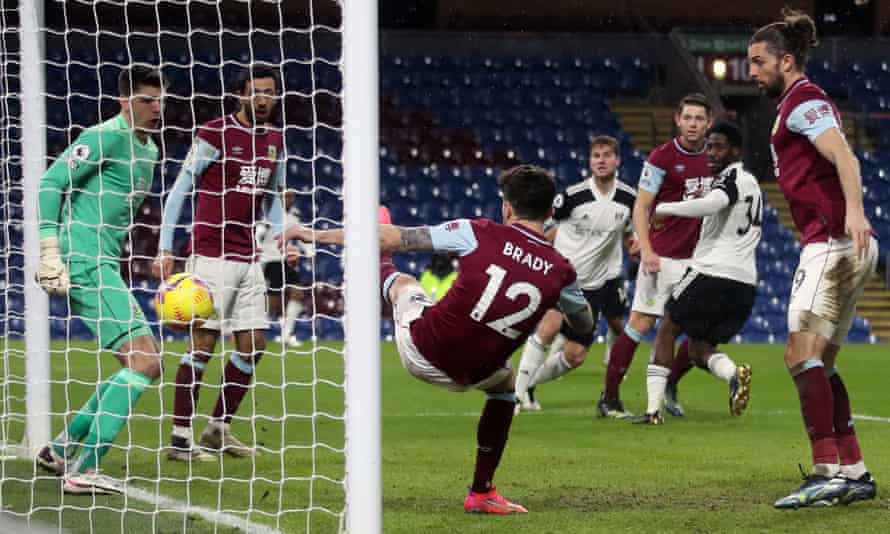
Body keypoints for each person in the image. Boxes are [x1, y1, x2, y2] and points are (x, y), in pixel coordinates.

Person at [280, 165, 594, 514]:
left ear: (506, 206)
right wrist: (559, 299)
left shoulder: (478, 231)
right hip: (473, 373)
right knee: (505, 384)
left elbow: (394, 236)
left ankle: (379, 267)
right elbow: (583, 322)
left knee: (406, 285)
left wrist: (313, 235)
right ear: (551, 212)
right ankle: (481, 492)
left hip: (421, 348)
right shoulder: (562, 271)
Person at [748, 9, 878, 509]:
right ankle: (854, 472)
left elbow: (843, 154)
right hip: (836, 243)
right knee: (820, 361)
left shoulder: (803, 100)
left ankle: (825, 470)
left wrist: (857, 213)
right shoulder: (794, 103)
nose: (752, 72)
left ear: (786, 59)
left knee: (799, 354)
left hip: (831, 242)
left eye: (759, 62)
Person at [34, 66, 166, 494]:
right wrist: (50, 249)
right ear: (125, 101)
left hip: (104, 260)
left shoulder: (150, 151)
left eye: (160, 99)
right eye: (147, 99)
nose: (157, 107)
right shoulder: (105, 136)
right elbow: (52, 182)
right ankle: (83, 470)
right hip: (83, 258)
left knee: (141, 364)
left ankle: (60, 449)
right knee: (145, 363)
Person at [154, 65, 289, 461]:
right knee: (204, 346)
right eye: (256, 92)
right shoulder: (214, 133)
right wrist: (166, 247)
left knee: (254, 345)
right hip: (209, 255)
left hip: (248, 256)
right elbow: (180, 189)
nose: (263, 100)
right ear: (240, 95)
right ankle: (180, 439)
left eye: (269, 92)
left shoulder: (275, 141)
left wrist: (282, 241)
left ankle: (218, 428)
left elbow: (275, 197)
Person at [631, 122, 757, 424]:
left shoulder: (731, 179)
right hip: (745, 284)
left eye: (719, 147)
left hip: (712, 273)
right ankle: (732, 373)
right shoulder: (753, 184)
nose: (712, 153)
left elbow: (713, 203)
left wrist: (666, 207)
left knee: (667, 329)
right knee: (699, 347)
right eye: (709, 146)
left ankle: (652, 411)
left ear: (736, 151)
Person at [601, 94, 713, 418]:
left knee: (697, 331)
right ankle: (610, 396)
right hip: (662, 257)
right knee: (641, 322)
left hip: (699, 260)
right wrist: (646, 247)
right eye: (688, 118)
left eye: (699, 119)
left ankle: (669, 387)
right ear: (677, 120)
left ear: (708, 123)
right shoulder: (662, 157)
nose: (693, 124)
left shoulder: (716, 160)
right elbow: (641, 205)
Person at [513, 135, 636, 416]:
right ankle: (515, 397)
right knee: (547, 329)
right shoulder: (571, 197)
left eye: (607, 155)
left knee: (575, 355)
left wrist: (635, 247)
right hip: (563, 276)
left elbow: (628, 231)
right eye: (596, 156)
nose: (601, 160)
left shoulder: (629, 198)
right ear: (590, 161)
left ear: (617, 160)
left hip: (593, 285)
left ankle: (527, 384)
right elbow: (545, 229)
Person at [257, 189, 308, 347]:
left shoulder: (295, 216)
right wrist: (257, 250)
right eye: (287, 196)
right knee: (273, 303)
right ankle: (256, 331)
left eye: (292, 196)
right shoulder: (269, 214)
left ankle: (286, 334)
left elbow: (301, 235)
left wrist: (309, 251)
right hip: (271, 260)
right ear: (280, 197)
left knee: (298, 293)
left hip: (286, 260)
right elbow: (258, 234)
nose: (290, 199)